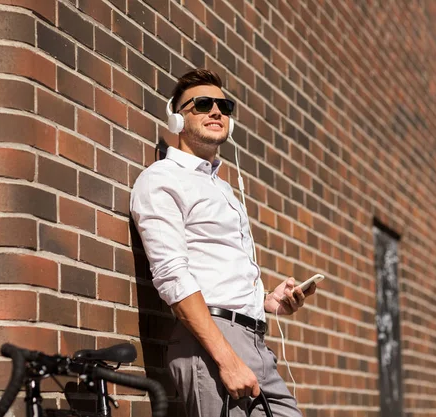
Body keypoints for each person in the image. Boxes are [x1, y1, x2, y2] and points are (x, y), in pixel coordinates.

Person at [130, 69, 316, 417]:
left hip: (255, 345)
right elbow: (173, 277)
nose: (216, 111)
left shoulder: (223, 188)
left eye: (224, 105)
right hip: (213, 346)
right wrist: (227, 360)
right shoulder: (161, 180)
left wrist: (266, 300)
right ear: (176, 117)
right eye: (202, 104)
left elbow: (215, 270)